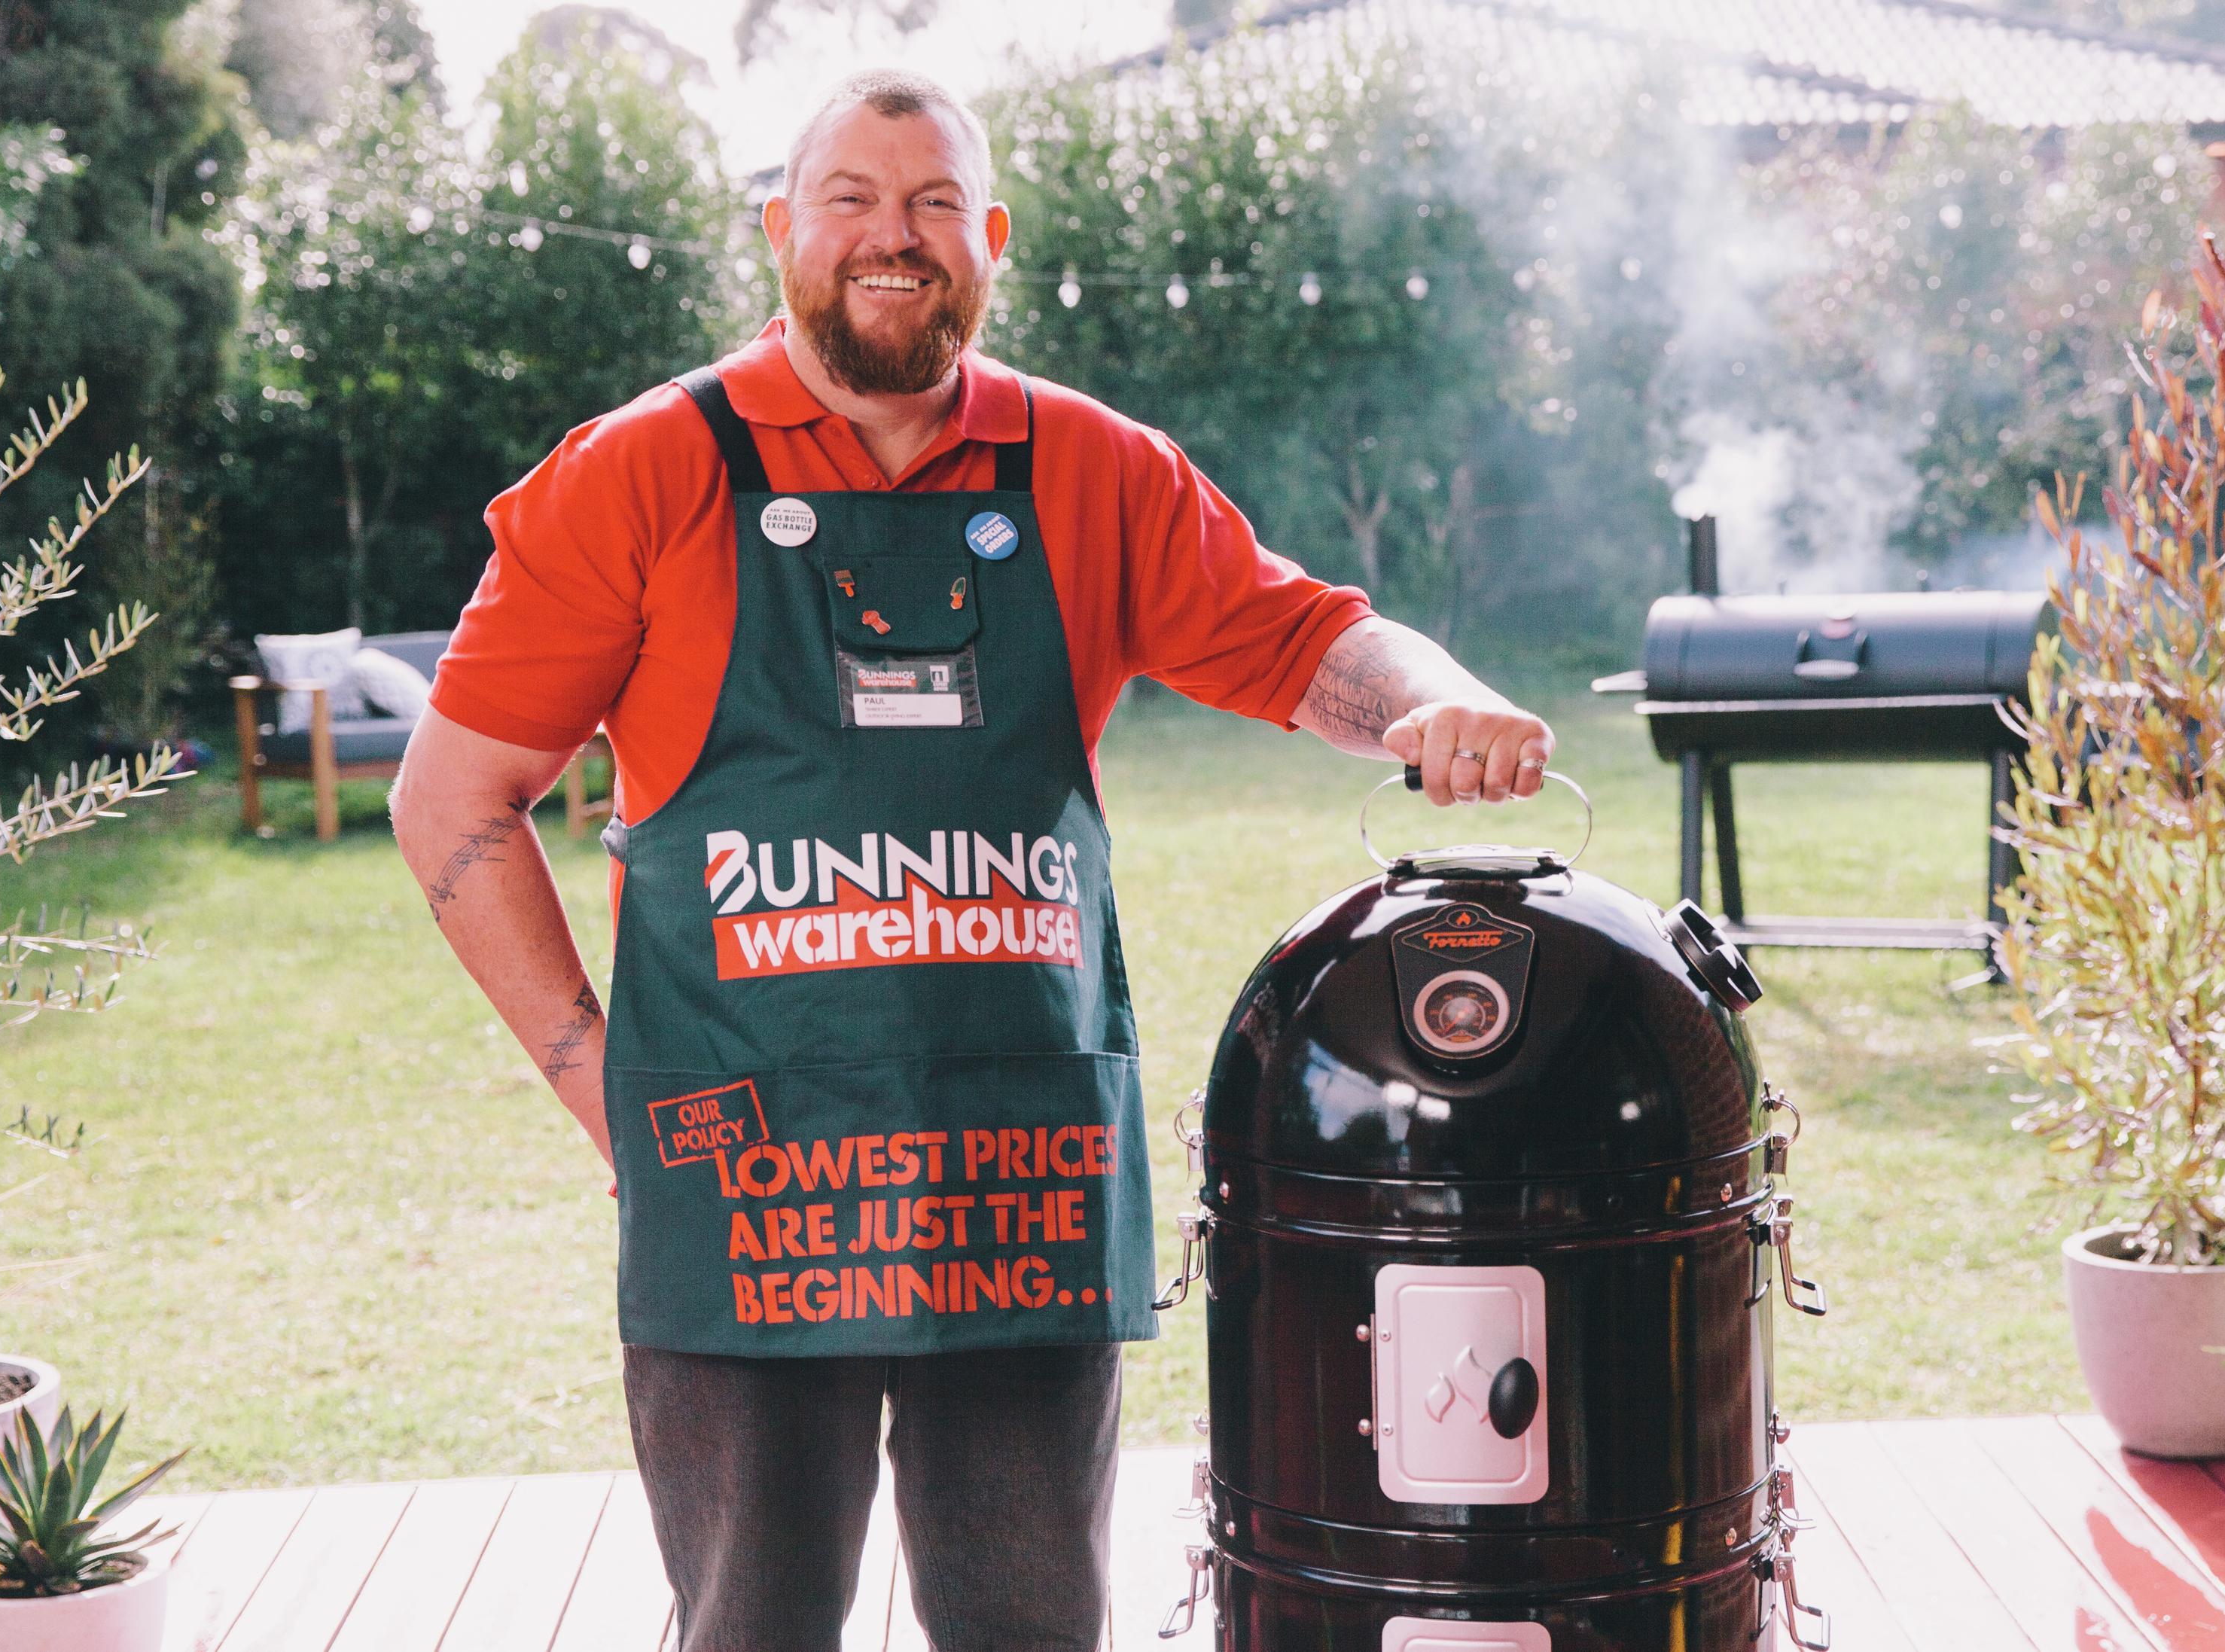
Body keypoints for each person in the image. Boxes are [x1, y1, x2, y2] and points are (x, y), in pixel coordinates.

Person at [390, 67, 1553, 1652]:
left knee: (1031, 1624)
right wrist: (601, 1079)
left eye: (936, 203)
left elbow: (1310, 638)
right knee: (751, 1623)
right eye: (854, 200)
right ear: (781, 231)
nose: (896, 235)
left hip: (1022, 1179)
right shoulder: (643, 473)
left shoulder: (1088, 467)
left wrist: (1439, 698)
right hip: (746, 1181)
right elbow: (454, 797)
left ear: (990, 240)